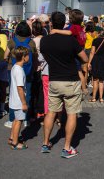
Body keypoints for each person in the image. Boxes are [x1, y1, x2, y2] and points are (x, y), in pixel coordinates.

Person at [40, 12, 88, 159]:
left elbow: (45, 55)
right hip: (71, 80)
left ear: (51, 24)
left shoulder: (45, 41)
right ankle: (67, 148)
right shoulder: (71, 41)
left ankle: (46, 143)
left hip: (54, 79)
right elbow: (84, 58)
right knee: (72, 113)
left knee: (51, 112)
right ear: (64, 24)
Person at [4, 21, 36, 127]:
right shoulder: (31, 42)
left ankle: (12, 119)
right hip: (28, 71)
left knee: (14, 94)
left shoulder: (12, 41)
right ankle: (26, 118)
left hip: (13, 69)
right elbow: (35, 57)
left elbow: (5, 56)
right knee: (28, 94)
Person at [8, 46, 30, 150]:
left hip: (14, 100)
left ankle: (12, 138)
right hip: (19, 101)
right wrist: (24, 103)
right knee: (19, 121)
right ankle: (15, 143)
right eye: (28, 55)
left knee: (15, 120)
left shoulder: (14, 67)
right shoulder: (19, 71)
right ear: (24, 57)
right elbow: (20, 88)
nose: (29, 57)